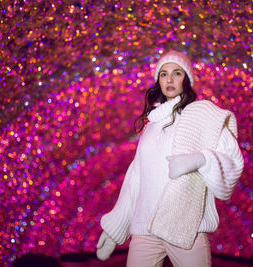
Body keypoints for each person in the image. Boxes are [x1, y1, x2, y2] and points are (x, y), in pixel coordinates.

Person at [96, 50, 244, 267]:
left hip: (186, 229)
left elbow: (233, 162)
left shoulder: (202, 116)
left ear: (187, 79)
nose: (170, 79)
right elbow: (136, 178)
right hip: (144, 230)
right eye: (164, 74)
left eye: (177, 73)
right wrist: (114, 227)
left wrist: (199, 159)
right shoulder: (151, 125)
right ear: (158, 81)